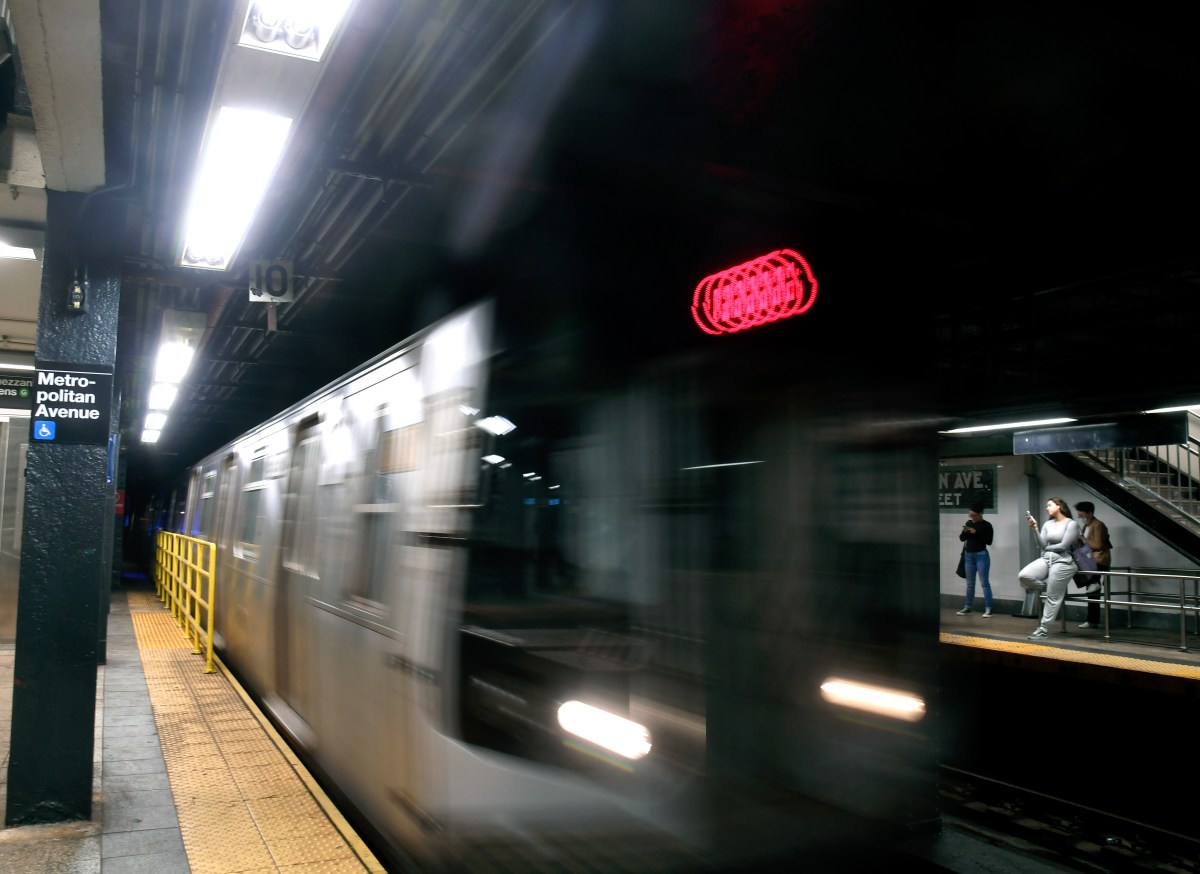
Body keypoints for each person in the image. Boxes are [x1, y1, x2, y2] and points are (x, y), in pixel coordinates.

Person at [1019, 497, 1080, 640]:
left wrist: (1047, 547)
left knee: (1052, 597)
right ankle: (1052, 588)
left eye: (1049, 505)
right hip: (1046, 558)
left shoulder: (1071, 524)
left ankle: (1043, 629)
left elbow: (1063, 546)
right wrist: (1035, 529)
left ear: (1059, 506)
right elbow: (1041, 544)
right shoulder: (1047, 524)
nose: (1047, 508)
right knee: (1024, 576)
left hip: (1063, 561)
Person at [1075, 501, 1112, 629]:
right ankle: (1092, 620)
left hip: (1098, 560)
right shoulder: (1087, 526)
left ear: (1089, 513)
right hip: (1089, 560)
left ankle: (1092, 620)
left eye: (1081, 514)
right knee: (1092, 593)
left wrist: (1083, 539)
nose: (1080, 517)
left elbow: (1098, 545)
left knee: (1092, 591)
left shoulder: (1098, 525)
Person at [955, 504, 994, 616]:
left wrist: (975, 533)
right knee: (970, 584)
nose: (972, 517)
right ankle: (967, 606)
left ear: (980, 514)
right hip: (969, 556)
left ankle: (988, 608)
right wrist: (965, 532)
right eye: (970, 515)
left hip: (981, 555)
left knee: (984, 583)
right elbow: (962, 539)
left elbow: (989, 541)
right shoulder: (969, 523)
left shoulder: (987, 525)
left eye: (974, 515)